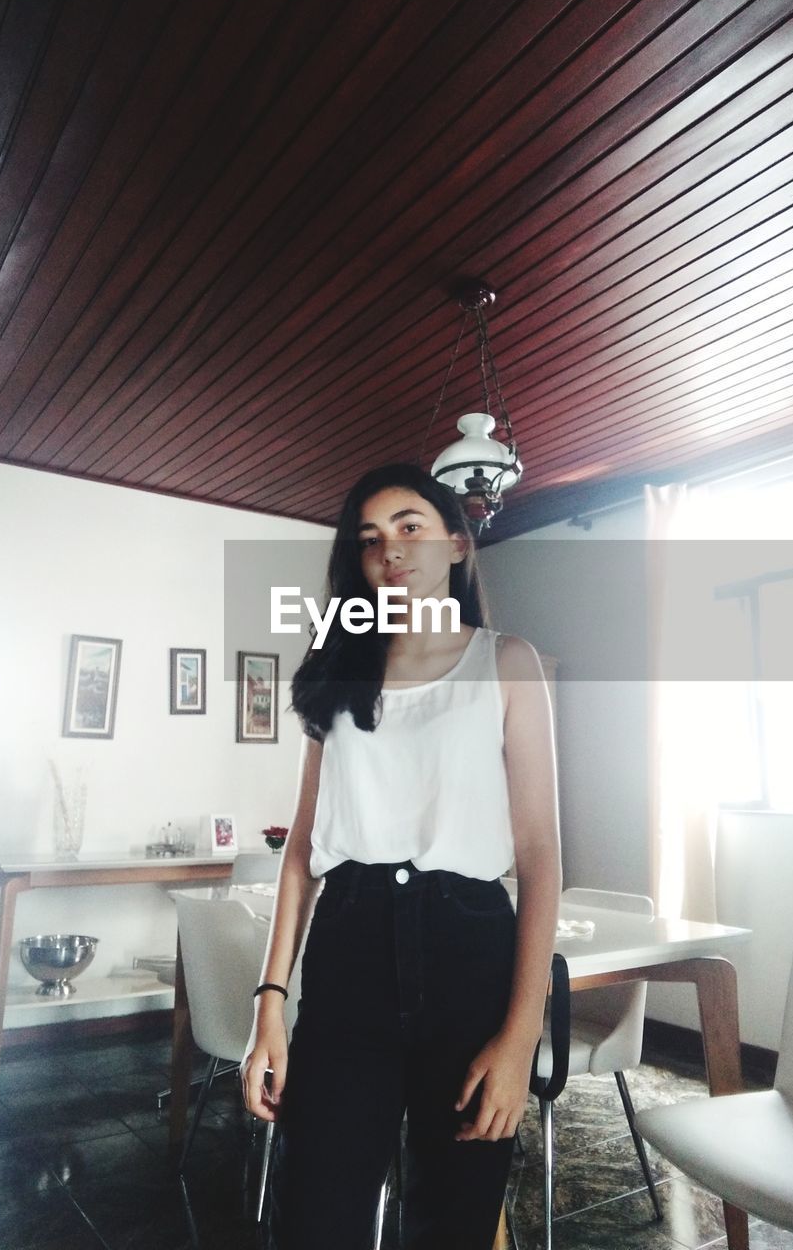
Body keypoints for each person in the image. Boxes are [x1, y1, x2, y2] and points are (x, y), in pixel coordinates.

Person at [240, 462, 561, 1250]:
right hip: (351, 953)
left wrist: (520, 1039)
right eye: (372, 538)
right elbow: (302, 853)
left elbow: (539, 853)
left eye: (411, 527)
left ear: (456, 543)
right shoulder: (337, 671)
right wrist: (269, 1004)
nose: (392, 550)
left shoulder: (507, 661)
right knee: (317, 1213)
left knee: (454, 1218)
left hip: (471, 954)